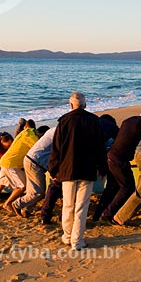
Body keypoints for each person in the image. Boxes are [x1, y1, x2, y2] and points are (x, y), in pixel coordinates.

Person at [48, 92, 107, 250]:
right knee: (81, 206)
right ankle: (77, 241)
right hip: (87, 169)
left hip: (67, 169)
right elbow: (100, 148)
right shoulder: (94, 121)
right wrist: (102, 168)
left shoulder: (64, 121)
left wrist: (53, 169)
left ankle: (67, 236)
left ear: (71, 105)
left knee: (68, 205)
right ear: (85, 105)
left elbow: (56, 149)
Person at [93, 107, 141, 223]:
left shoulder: (131, 120)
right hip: (119, 159)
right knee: (128, 187)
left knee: (112, 187)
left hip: (111, 156)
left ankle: (98, 214)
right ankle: (108, 214)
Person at [0, 121, 39, 210]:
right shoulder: (31, 135)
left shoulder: (21, 134)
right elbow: (38, 148)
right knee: (21, 187)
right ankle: (7, 204)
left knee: (1, 184)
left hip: (4, 161)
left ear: (25, 127)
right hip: (12, 164)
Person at [9, 126, 53, 217]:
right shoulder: (60, 133)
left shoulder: (54, 131)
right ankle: (17, 204)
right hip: (35, 162)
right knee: (38, 192)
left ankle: (27, 209)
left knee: (33, 191)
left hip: (33, 160)